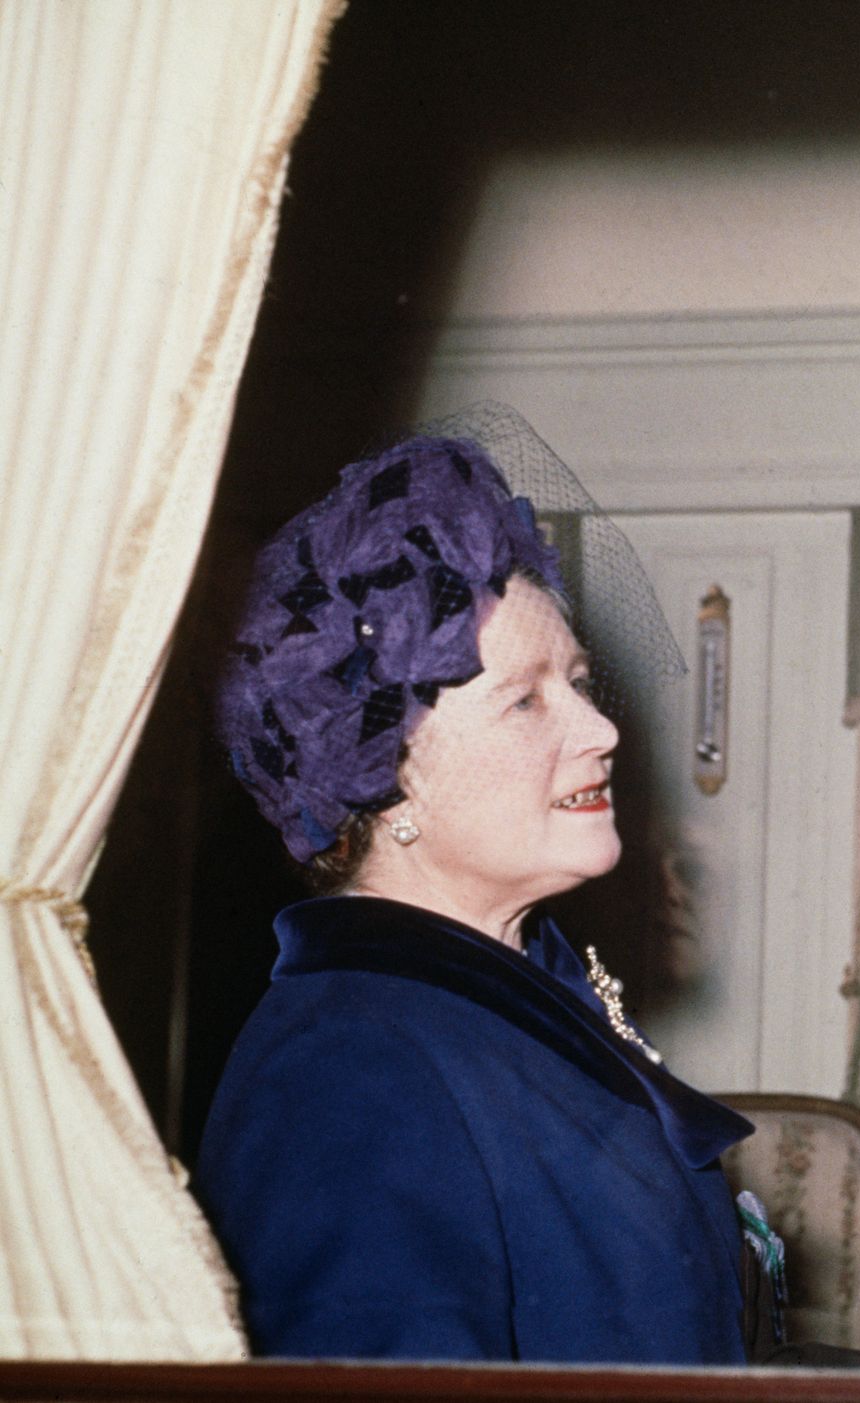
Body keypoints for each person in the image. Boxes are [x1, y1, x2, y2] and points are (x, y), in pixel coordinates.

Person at [196, 431, 752, 1363]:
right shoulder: (347, 1067)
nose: (603, 727)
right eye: (526, 701)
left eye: (576, 681)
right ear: (384, 776)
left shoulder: (513, 989)